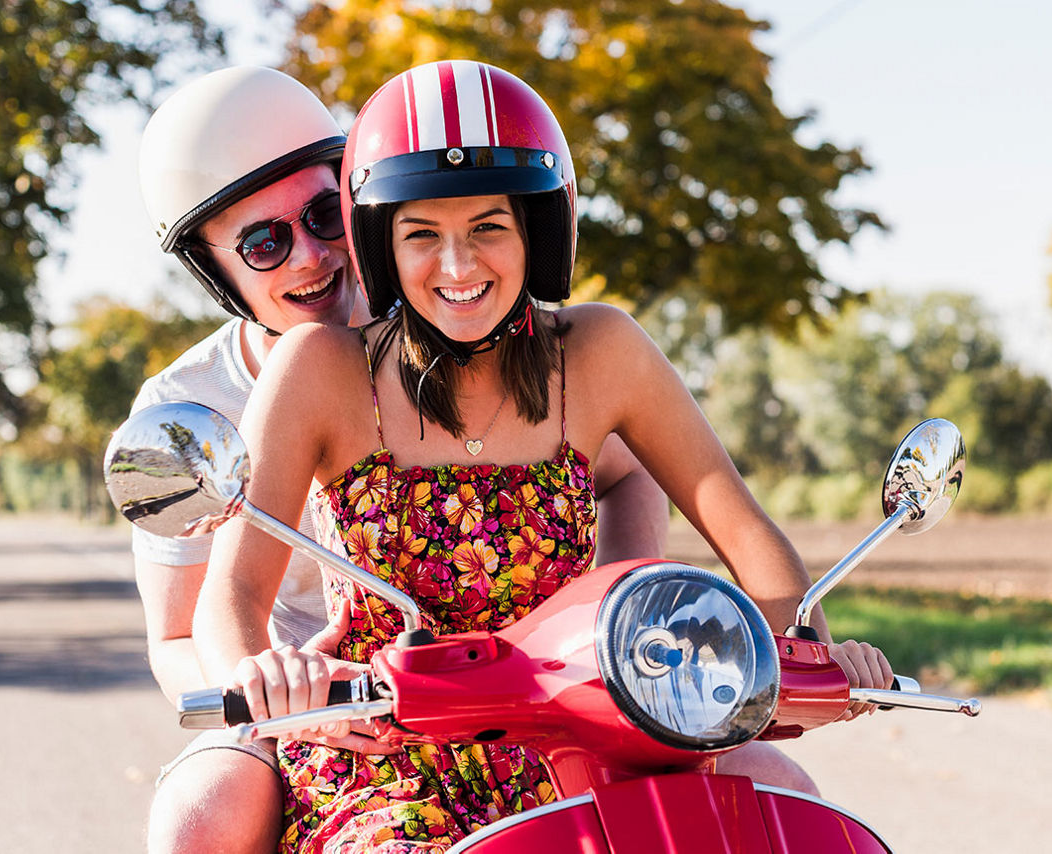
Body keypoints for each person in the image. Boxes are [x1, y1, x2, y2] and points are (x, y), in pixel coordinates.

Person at [194, 59, 892, 853]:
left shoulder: (600, 351)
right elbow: (232, 593)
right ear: (381, 247)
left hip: (584, 745)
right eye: (422, 234)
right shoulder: (320, 368)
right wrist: (264, 675)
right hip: (386, 758)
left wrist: (807, 649)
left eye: (487, 228)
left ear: (537, 230)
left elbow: (745, 531)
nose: (457, 267)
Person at [130, 65, 672, 853]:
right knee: (203, 810)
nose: (311, 258)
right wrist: (269, 685)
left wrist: (613, 622)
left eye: (323, 215)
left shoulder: (457, 308)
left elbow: (626, 465)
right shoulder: (188, 408)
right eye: (265, 242)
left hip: (529, 680)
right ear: (216, 270)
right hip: (305, 698)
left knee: (759, 791)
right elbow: (177, 637)